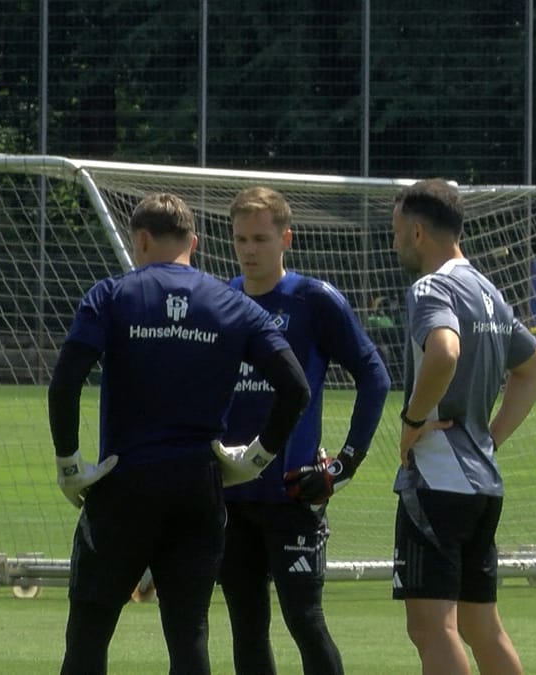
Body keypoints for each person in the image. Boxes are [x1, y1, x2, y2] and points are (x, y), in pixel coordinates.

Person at [47, 192, 311, 675]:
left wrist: (69, 465)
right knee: (189, 636)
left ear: (141, 239)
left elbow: (65, 381)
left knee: (89, 626)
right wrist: (256, 458)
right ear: (195, 241)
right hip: (198, 489)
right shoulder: (233, 305)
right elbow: (295, 388)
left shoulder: (110, 296)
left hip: (123, 486)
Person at [217, 186, 391, 675]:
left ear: (285, 239)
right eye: (240, 240)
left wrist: (344, 464)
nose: (250, 250)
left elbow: (374, 375)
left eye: (260, 239)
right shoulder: (223, 300)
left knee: (304, 619)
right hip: (232, 494)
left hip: (293, 491)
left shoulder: (314, 301)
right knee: (245, 623)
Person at [389, 179, 536, 675]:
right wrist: (491, 438)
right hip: (482, 484)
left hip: (439, 480)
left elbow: (444, 351)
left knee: (431, 628)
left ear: (417, 232)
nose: (393, 243)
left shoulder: (432, 287)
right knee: (484, 628)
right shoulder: (487, 291)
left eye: (396, 232)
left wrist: (413, 420)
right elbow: (535, 369)